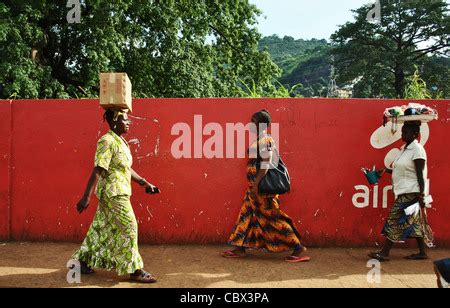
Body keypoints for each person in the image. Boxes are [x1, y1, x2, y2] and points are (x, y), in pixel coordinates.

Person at [71, 108, 160, 283]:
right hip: (113, 193)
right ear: (114, 122)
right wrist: (86, 196)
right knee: (129, 226)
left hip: (119, 191)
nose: (128, 122)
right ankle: (134, 270)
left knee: (101, 227)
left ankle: (81, 262)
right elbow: (98, 168)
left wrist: (144, 183)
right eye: (124, 120)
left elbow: (125, 168)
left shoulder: (121, 142)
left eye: (127, 120)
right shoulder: (106, 141)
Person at [223, 110, 310, 263]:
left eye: (253, 121)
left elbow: (266, 162)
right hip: (255, 188)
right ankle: (240, 248)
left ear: (260, 125)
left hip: (261, 189)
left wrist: (256, 184)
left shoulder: (265, 140)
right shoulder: (260, 139)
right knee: (247, 215)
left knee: (272, 217)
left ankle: (298, 248)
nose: (250, 123)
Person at [369, 121, 429, 262]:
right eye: (402, 131)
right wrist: (386, 171)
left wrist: (421, 195)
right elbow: (402, 170)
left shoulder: (417, 149)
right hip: (405, 190)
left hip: (412, 192)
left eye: (406, 132)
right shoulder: (404, 149)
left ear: (415, 134)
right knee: (415, 224)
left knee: (394, 219)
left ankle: (384, 253)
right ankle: (422, 252)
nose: (402, 134)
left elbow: (420, 174)